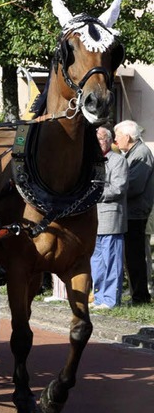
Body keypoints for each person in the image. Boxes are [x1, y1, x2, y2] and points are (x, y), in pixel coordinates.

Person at [114, 120, 154, 304]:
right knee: (131, 255)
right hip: (131, 211)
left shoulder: (140, 153)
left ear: (127, 137)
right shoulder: (133, 152)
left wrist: (115, 189)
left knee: (135, 255)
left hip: (136, 213)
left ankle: (140, 296)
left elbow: (133, 186)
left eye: (117, 136)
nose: (115, 140)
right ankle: (137, 294)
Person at [90, 127, 129, 309]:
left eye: (101, 139)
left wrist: (94, 194)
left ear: (109, 140)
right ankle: (99, 298)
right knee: (96, 262)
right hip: (93, 220)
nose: (98, 143)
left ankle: (111, 300)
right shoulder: (92, 161)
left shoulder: (118, 161)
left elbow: (118, 188)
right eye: (95, 139)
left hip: (111, 219)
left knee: (112, 261)